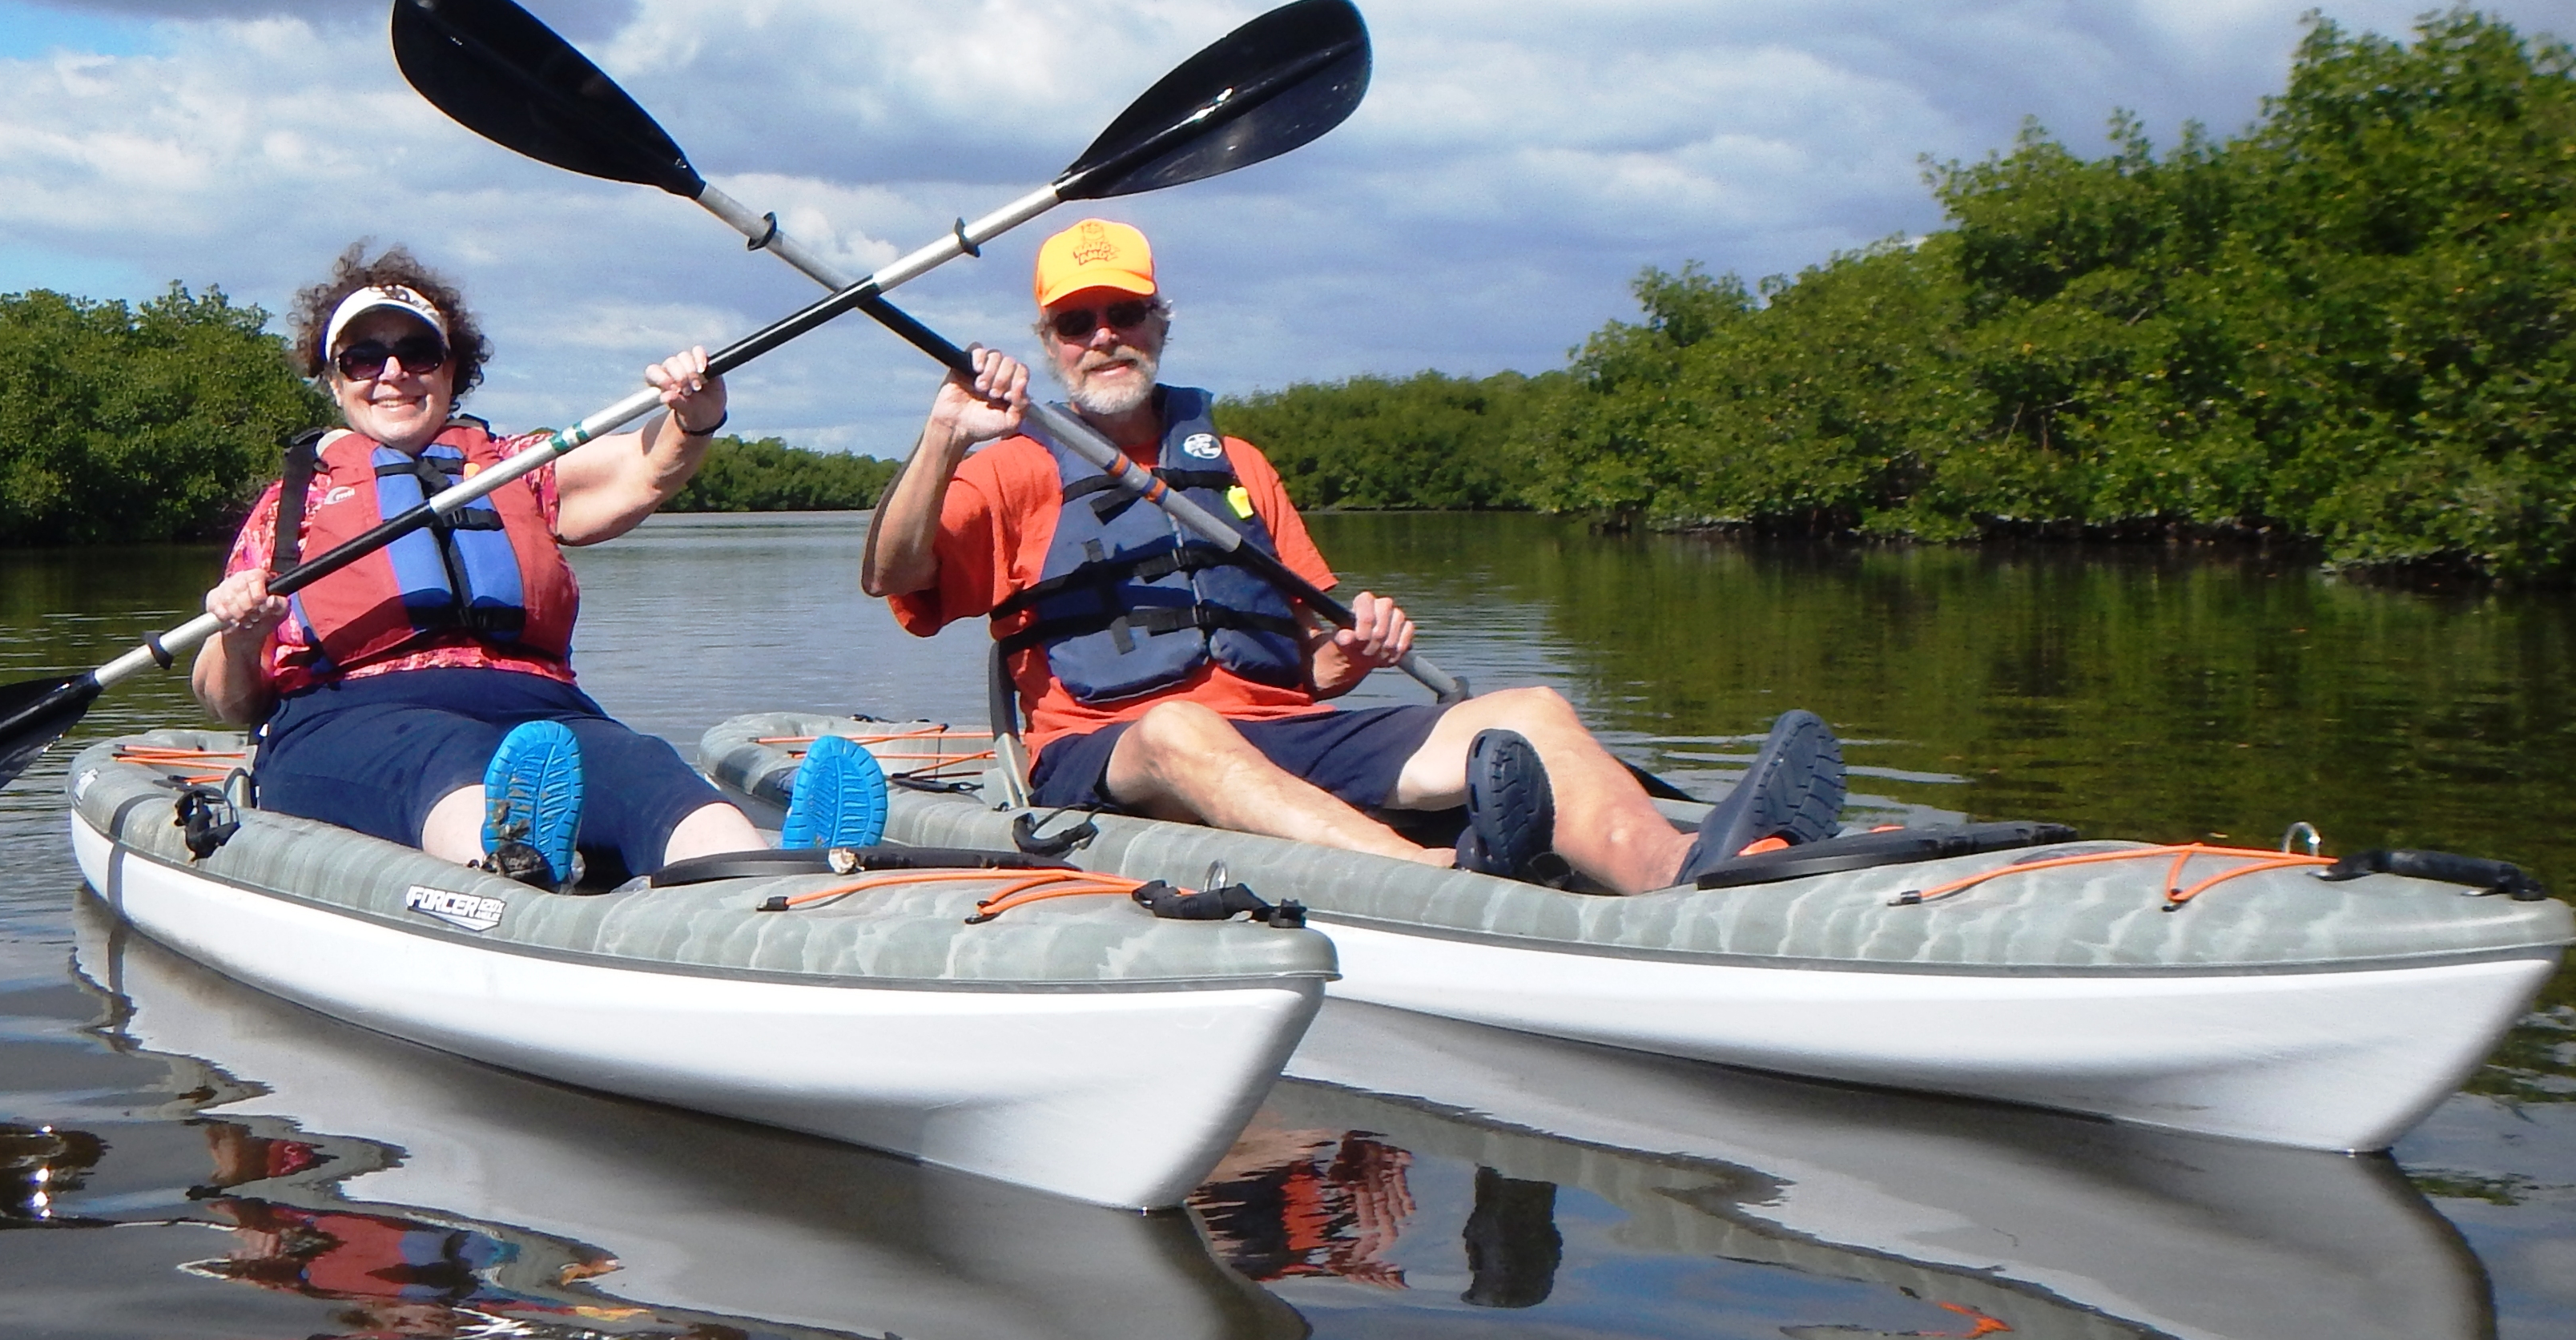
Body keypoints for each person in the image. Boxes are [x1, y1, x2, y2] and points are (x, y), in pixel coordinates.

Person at [860, 218, 1843, 889]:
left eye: (1126, 313)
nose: (1105, 337)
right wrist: (948, 433)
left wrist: (1353, 650)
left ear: (1161, 322)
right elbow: (892, 576)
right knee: (1177, 728)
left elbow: (1306, 664)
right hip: (1108, 753)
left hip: (1276, 735)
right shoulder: (1011, 466)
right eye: (1079, 323)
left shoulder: (1237, 463)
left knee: (1532, 709)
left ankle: (1683, 872)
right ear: (1051, 341)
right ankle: (1438, 880)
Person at [196, 245, 889, 884]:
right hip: (353, 721)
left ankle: (770, 873)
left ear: (452, 366)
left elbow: (646, 465)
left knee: (648, 774)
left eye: (417, 351)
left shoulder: (516, 468)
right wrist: (241, 632)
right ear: (333, 377)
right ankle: (511, 865)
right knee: (449, 768)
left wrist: (694, 414)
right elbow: (226, 697)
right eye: (364, 357)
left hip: (542, 712)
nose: (393, 373)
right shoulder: (295, 504)